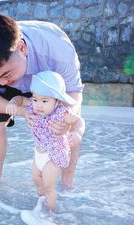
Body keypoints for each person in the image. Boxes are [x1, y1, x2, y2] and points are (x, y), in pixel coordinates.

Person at [0, 10, 85, 188]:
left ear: (22, 49)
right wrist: (24, 110)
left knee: (66, 124)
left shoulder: (57, 49)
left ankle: (67, 184)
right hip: (16, 86)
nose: (2, 82)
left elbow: (74, 93)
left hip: (48, 78)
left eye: (5, 74)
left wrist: (67, 119)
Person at [6, 71, 83, 211]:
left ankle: (51, 213)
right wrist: (13, 103)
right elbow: (19, 99)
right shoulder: (33, 107)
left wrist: (77, 133)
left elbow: (79, 121)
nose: (38, 105)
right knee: (36, 179)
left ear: (56, 100)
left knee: (48, 186)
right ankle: (41, 205)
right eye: (35, 99)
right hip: (39, 153)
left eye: (44, 101)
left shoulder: (62, 113)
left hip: (55, 155)